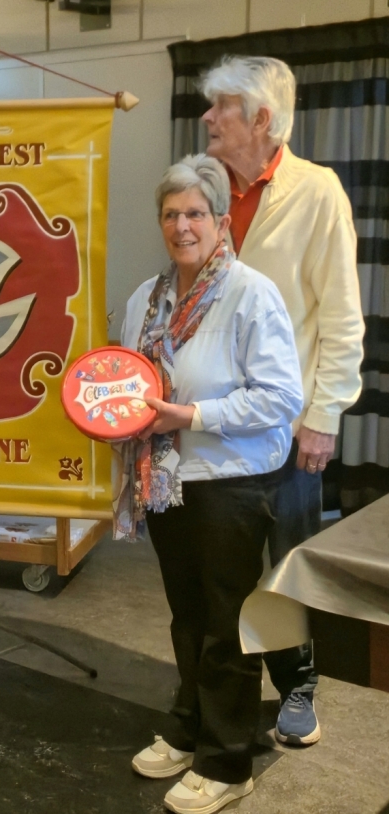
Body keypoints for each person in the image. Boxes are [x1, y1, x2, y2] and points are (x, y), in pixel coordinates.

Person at [119, 155, 303, 814]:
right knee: (188, 616)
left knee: (227, 623)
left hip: (232, 484)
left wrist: (192, 415)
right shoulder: (145, 299)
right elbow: (127, 381)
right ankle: (190, 725)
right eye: (171, 214)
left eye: (195, 213)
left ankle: (228, 762)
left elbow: (281, 398)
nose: (182, 226)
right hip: (169, 484)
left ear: (222, 221)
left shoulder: (251, 293)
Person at [200, 55, 363, 746]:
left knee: (288, 562)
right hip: (214, 422)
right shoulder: (204, 185)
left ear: (262, 119)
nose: (207, 117)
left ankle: (298, 683)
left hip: (288, 425)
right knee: (223, 566)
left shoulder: (317, 191)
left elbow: (342, 318)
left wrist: (323, 418)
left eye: (222, 107)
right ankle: (225, 687)